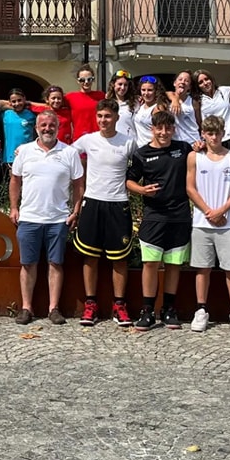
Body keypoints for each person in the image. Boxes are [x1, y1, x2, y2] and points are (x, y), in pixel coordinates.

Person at [10, 111, 84, 326]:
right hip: (29, 217)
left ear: (58, 128)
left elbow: (79, 184)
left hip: (58, 218)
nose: (47, 129)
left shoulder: (69, 153)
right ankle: (26, 308)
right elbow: (15, 181)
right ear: (36, 128)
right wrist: (14, 208)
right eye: (43, 125)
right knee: (28, 264)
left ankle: (54, 308)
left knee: (56, 263)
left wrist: (76, 210)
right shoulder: (24, 151)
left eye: (51, 125)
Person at [126, 110, 192, 331]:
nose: (164, 132)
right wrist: (143, 190)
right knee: (151, 264)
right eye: (159, 128)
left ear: (173, 129)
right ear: (152, 129)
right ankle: (147, 310)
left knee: (174, 264)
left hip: (180, 215)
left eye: (168, 128)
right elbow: (129, 181)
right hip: (154, 216)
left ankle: (169, 309)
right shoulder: (142, 154)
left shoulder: (184, 149)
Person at [73, 99, 135, 327]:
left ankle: (119, 305)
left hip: (118, 204)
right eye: (100, 116)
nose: (103, 121)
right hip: (92, 202)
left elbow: (145, 161)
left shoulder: (128, 143)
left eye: (107, 116)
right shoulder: (88, 140)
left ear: (117, 117)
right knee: (90, 256)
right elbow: (65, 155)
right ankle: (91, 304)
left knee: (119, 259)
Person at [186, 115, 230, 334]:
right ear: (203, 134)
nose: (213, 137)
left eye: (217, 133)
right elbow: (190, 188)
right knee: (202, 268)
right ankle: (201, 309)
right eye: (209, 133)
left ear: (223, 133)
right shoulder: (194, 157)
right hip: (203, 221)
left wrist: (222, 210)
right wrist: (208, 211)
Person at [0, 89, 36, 179]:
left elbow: (36, 133)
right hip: (10, 155)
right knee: (14, 180)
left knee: (27, 181)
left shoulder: (31, 115)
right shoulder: (5, 114)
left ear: (24, 99)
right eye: (13, 101)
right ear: (9, 102)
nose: (17, 103)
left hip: (28, 154)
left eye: (19, 100)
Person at [64, 63, 105, 142]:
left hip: (98, 138)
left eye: (89, 79)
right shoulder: (70, 97)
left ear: (93, 79)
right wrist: (32, 105)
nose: (86, 82)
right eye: (82, 80)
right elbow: (52, 106)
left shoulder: (101, 96)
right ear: (78, 81)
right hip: (79, 140)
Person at [194, 69, 230, 141]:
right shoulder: (197, 100)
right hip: (213, 140)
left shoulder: (223, 90)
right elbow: (199, 122)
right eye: (200, 82)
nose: (205, 83)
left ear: (211, 79)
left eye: (207, 79)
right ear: (197, 86)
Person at [167, 70, 201, 145]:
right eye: (180, 79)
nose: (182, 82)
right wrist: (175, 99)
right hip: (175, 141)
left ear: (189, 86)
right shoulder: (167, 99)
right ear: (174, 83)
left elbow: (199, 122)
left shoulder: (193, 101)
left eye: (186, 81)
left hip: (193, 141)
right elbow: (163, 93)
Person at [133, 75, 169, 146]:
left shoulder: (158, 108)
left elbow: (161, 133)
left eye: (150, 90)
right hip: (139, 148)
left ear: (156, 91)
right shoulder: (140, 105)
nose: (146, 93)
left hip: (152, 148)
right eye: (143, 90)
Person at [106, 70, 137, 138]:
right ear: (113, 84)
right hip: (112, 143)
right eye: (120, 84)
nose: (122, 88)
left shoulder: (136, 102)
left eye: (125, 85)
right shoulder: (107, 102)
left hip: (131, 144)